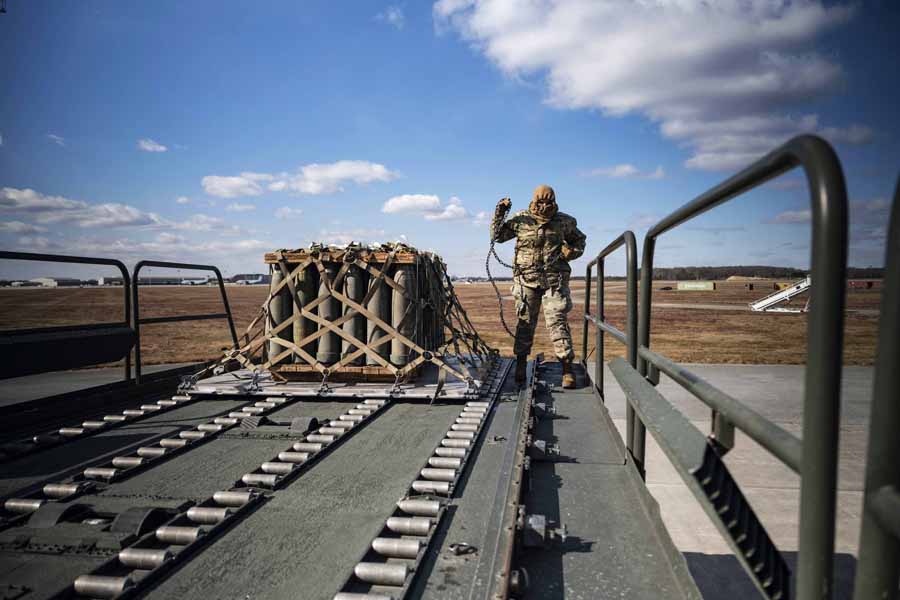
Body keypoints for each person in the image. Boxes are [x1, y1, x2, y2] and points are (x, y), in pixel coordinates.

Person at [491, 184, 587, 388]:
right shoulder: (520, 219)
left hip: (554, 280)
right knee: (525, 323)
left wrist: (572, 252)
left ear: (554, 201)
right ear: (534, 201)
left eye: (548, 202)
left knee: (558, 323)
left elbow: (580, 241)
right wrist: (499, 214)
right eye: (540, 202)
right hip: (526, 280)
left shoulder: (564, 222)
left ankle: (567, 369)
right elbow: (498, 237)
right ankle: (520, 364)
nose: (544, 206)